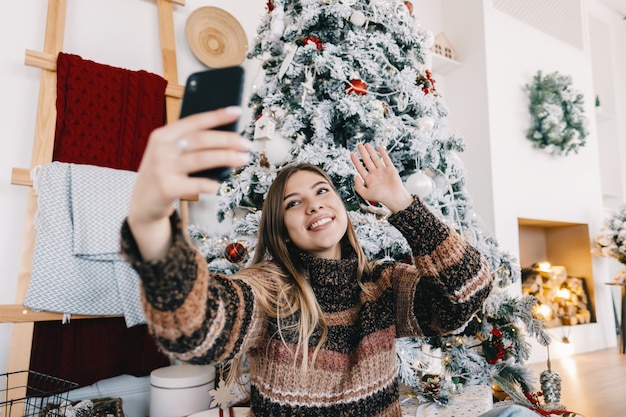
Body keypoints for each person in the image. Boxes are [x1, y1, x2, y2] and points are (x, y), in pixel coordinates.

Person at [120, 107, 495, 416]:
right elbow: (199, 326)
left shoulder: (383, 284)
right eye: (293, 202)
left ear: (341, 207)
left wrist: (402, 203)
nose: (314, 204)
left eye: (321, 191)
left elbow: (469, 291)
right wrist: (153, 230)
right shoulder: (270, 291)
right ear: (281, 230)